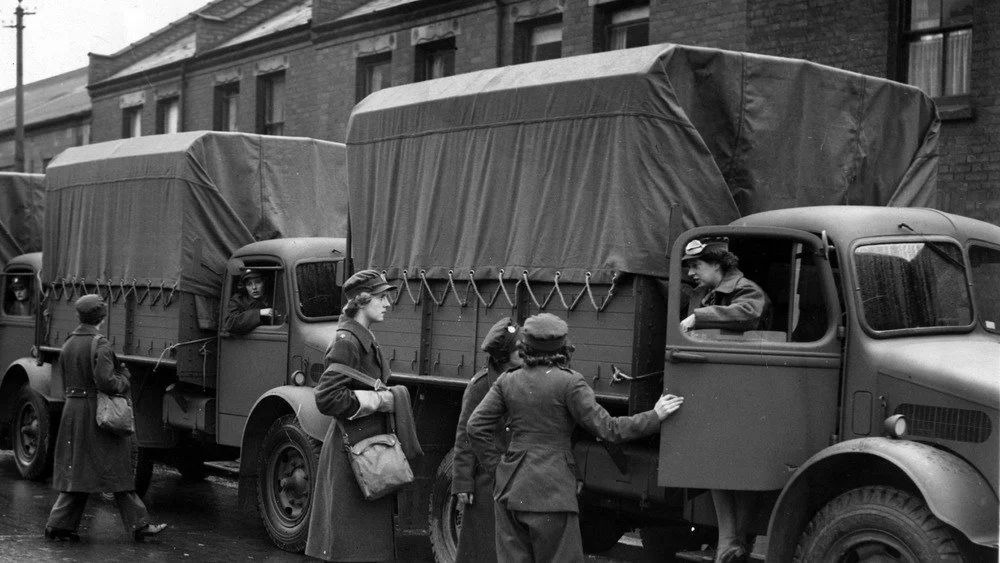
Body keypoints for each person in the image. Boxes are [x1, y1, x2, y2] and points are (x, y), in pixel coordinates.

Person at [467, 313, 684, 562]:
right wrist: (654, 416)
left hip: (511, 490)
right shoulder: (570, 383)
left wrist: (498, 470)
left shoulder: (507, 381)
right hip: (553, 492)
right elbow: (609, 429)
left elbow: (475, 427)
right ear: (562, 347)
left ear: (525, 346)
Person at [44, 295, 167, 542]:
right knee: (118, 470)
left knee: (79, 471)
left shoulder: (69, 343)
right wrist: (125, 379)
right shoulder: (100, 344)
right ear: (102, 317)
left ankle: (57, 525)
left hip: (73, 412)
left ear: (79, 316)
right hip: (96, 415)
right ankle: (140, 526)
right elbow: (106, 382)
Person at [679, 237, 771, 563]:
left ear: (718, 264)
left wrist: (699, 317)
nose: (691, 272)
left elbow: (748, 314)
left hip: (744, 390)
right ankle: (729, 543)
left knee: (740, 469)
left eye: (696, 265)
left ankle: (733, 543)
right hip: (716, 387)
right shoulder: (703, 294)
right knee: (717, 466)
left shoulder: (746, 290)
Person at [305, 270, 399, 562]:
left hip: (365, 451)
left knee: (364, 544)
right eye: (381, 297)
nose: (387, 303)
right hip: (352, 453)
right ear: (362, 299)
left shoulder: (363, 338)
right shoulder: (348, 341)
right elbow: (327, 397)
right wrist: (378, 401)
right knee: (352, 547)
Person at [452, 317, 520, 563]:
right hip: (487, 481)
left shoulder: (525, 378)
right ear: (504, 356)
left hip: (517, 475)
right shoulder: (481, 386)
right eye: (519, 348)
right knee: (484, 548)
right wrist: (462, 483)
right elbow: (465, 436)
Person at [224, 269, 276, 334]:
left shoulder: (275, 298)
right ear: (245, 287)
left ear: (264, 282)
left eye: (258, 282)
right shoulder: (238, 301)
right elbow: (230, 323)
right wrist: (259, 313)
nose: (254, 287)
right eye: (249, 284)